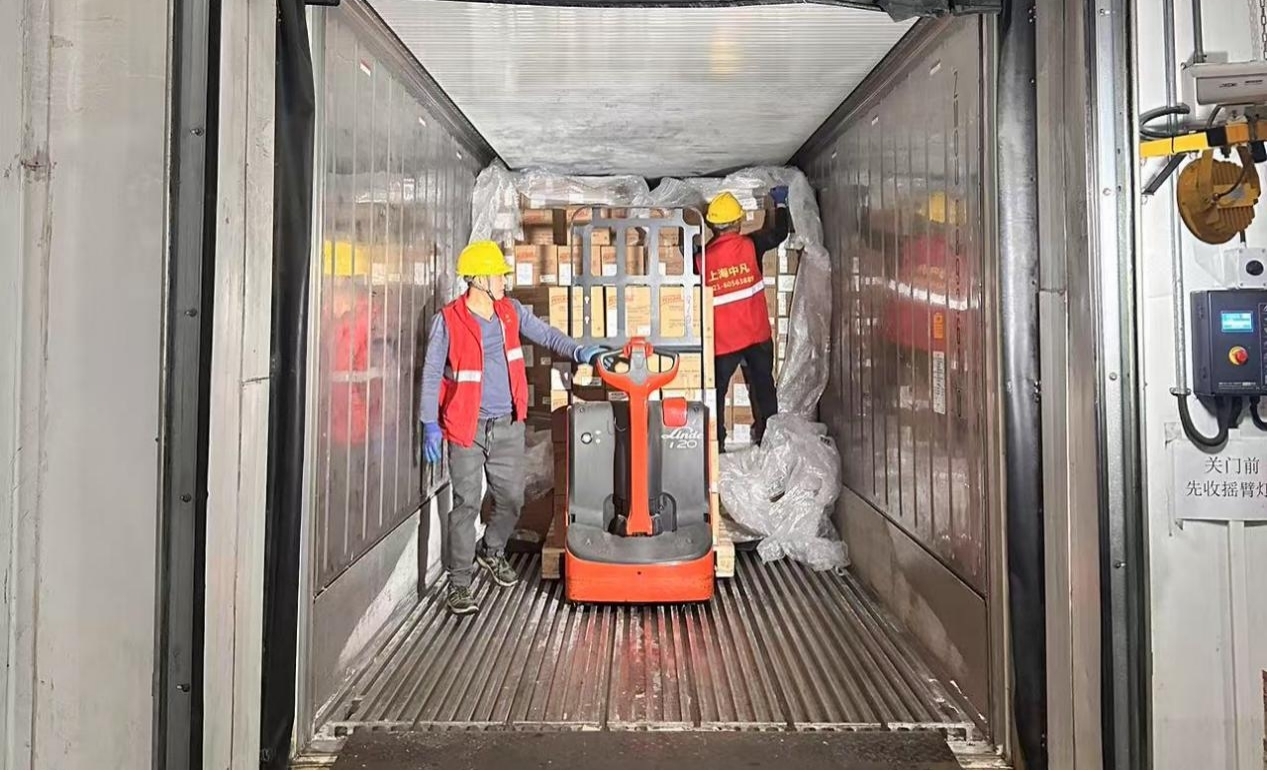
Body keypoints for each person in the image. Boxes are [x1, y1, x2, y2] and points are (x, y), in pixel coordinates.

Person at [420, 240, 603, 616]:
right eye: (499, 275)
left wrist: (578, 350)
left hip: (507, 424)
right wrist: (428, 423)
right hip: (467, 428)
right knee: (466, 505)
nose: (505, 280)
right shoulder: (448, 320)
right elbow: (432, 372)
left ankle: (492, 550)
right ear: (479, 279)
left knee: (512, 499)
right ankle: (459, 584)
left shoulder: (510, 311)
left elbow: (546, 335)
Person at [698, 187, 790, 451]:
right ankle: (771, 442)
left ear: (713, 226)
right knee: (764, 388)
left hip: (724, 342)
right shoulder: (751, 245)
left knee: (716, 393)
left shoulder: (701, 260)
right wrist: (780, 202)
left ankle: (716, 446)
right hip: (756, 335)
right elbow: (779, 233)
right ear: (738, 221)